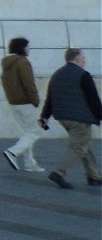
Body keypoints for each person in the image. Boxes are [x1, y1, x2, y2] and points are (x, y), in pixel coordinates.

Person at [38, 47, 102, 190]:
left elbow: (50, 98)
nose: (85, 60)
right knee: (78, 146)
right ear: (77, 59)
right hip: (80, 118)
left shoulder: (57, 74)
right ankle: (58, 172)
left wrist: (44, 116)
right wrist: (100, 115)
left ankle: (94, 176)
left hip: (62, 117)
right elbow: (93, 99)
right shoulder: (83, 75)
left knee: (85, 144)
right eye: (83, 58)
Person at [0, 36, 45, 172]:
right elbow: (28, 83)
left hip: (14, 102)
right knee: (35, 132)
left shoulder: (7, 63)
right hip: (25, 102)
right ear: (22, 48)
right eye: (27, 46)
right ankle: (13, 152)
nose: (29, 49)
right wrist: (35, 100)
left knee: (27, 132)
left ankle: (29, 163)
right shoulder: (22, 62)